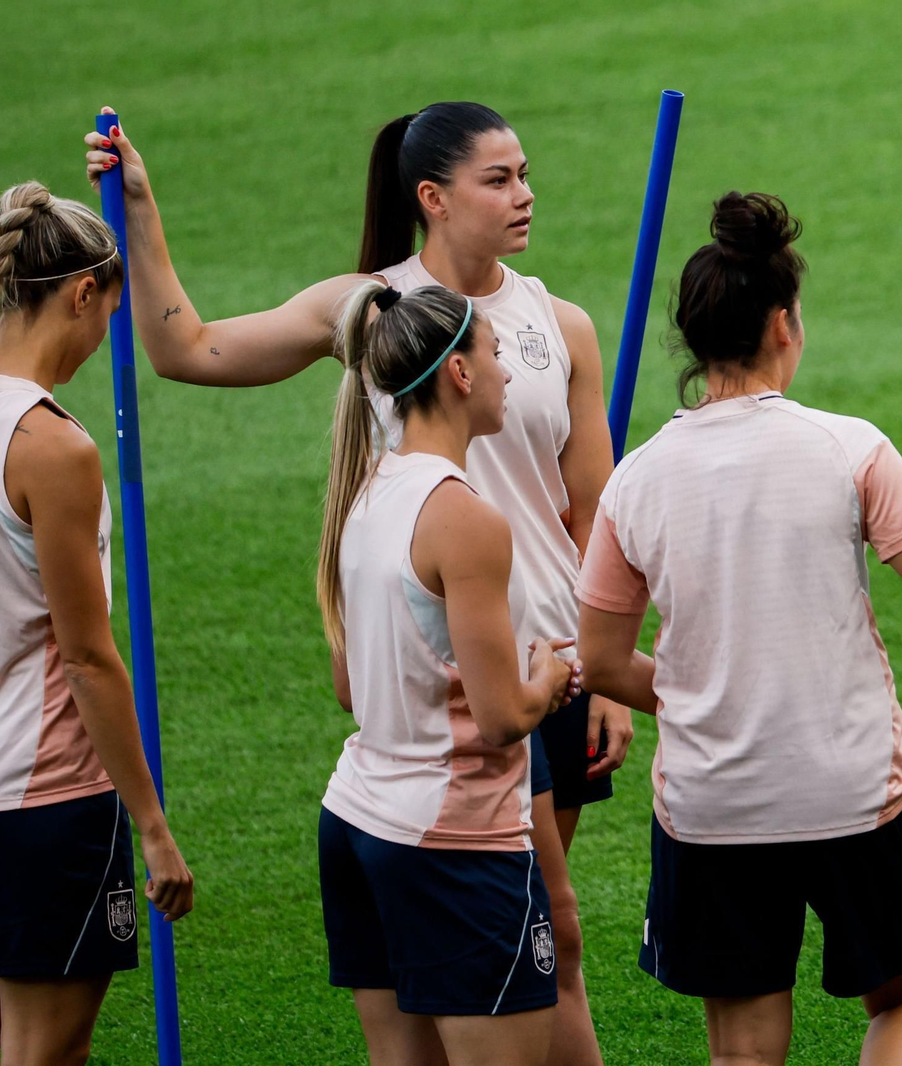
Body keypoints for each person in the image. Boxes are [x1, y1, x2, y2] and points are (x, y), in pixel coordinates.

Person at [81, 102, 623, 1063]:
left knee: (551, 929)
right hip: (433, 682)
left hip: (550, 668)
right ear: (432, 198)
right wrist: (141, 209)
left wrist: (606, 670)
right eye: (498, 180)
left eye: (524, 173)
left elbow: (599, 518)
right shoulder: (372, 308)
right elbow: (187, 349)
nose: (525, 194)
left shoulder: (560, 325)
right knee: (511, 923)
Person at [576, 192, 902, 1066]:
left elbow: (601, 661)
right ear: (783, 325)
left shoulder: (635, 481)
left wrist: (696, 697)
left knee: (743, 1050)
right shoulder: (850, 449)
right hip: (855, 788)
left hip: (711, 802)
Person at [0, 181, 193, 1066]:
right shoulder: (52, 447)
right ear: (81, 293)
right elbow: (87, 658)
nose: (102, 336)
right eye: (107, 312)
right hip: (43, 799)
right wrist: (151, 825)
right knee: (44, 1053)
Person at [316, 278, 582, 1066]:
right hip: (455, 842)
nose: (505, 373)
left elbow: (348, 688)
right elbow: (503, 718)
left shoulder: (361, 493)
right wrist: (547, 676)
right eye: (497, 355)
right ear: (460, 375)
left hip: (357, 821)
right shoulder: (465, 516)